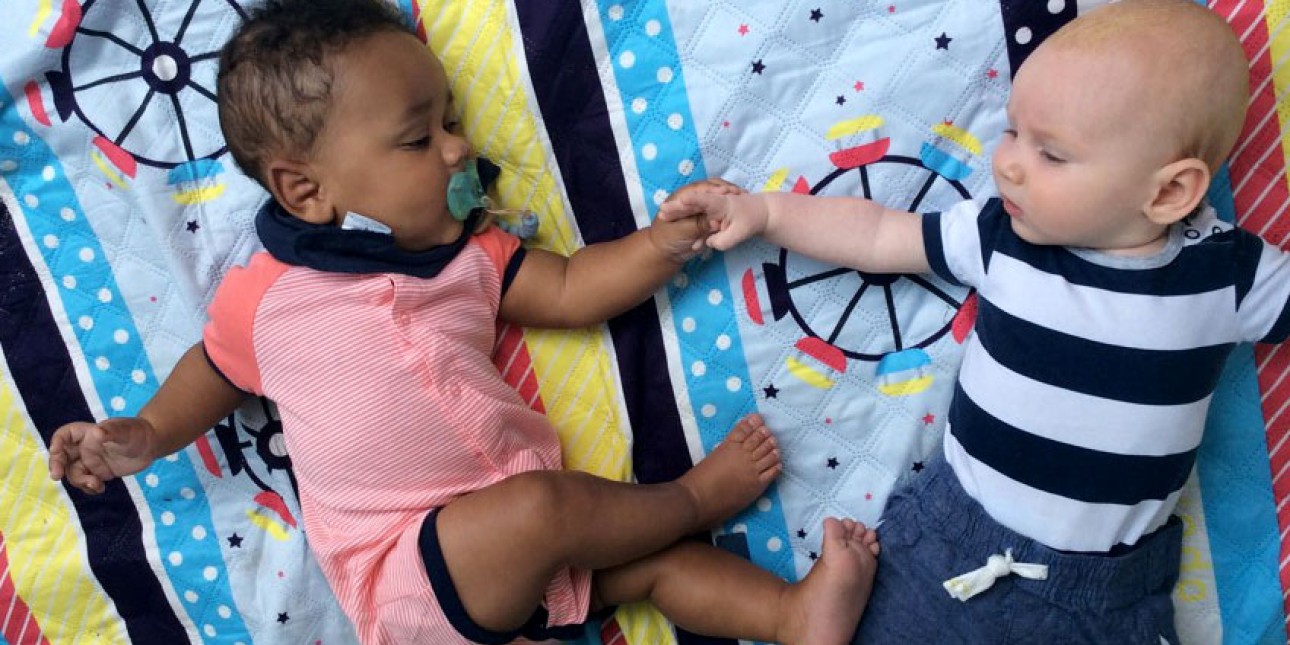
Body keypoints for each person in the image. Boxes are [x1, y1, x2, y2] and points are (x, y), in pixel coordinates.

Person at [45, 1, 880, 644]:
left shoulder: (469, 254)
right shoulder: (266, 297)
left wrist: (661, 245)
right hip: (404, 573)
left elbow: (572, 289)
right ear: (306, 190)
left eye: (450, 121)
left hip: (509, 552)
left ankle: (789, 615)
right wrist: (146, 434)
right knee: (547, 511)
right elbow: (213, 370)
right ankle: (693, 497)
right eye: (419, 139)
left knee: (646, 565)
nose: (456, 150)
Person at [659, 1, 1277, 642]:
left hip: (1104, 599)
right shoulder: (1002, 236)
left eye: (1052, 155)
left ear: (1171, 192)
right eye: (1012, 131)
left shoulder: (1227, 274)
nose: (1007, 163)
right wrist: (766, 214)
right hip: (948, 551)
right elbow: (877, 236)